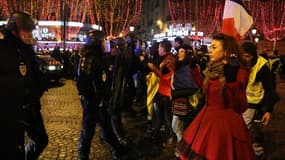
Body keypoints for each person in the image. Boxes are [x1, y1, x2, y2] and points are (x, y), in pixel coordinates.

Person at [177, 33, 257, 160]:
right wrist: (193, 69)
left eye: (214, 47)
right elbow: (205, 87)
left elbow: (240, 106)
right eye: (211, 47)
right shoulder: (212, 69)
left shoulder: (238, 71)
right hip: (206, 119)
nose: (210, 50)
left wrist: (231, 81)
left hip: (224, 127)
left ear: (225, 51)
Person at [0, 11, 48, 159]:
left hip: (30, 107)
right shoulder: (3, 49)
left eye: (30, 30)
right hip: (10, 112)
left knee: (41, 140)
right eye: (25, 30)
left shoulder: (27, 49)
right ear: (14, 30)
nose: (29, 34)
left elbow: (31, 74)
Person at [77, 30, 123, 160]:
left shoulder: (99, 57)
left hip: (99, 99)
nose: (105, 44)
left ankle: (117, 148)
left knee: (106, 125)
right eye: (103, 41)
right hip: (92, 100)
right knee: (88, 128)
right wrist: (93, 99)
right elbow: (83, 83)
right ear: (96, 43)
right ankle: (82, 154)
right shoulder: (88, 58)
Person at [241, 42, 280, 157]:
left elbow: (270, 90)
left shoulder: (262, 68)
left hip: (252, 103)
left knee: (243, 129)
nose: (244, 59)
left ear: (253, 55)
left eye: (247, 56)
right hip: (240, 101)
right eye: (242, 55)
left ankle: (253, 151)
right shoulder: (240, 63)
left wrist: (268, 111)